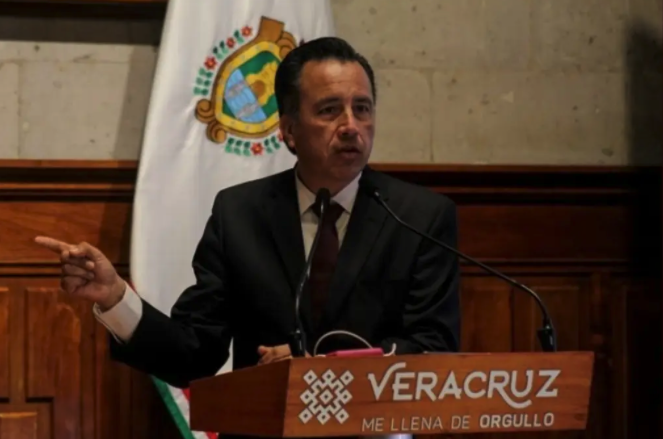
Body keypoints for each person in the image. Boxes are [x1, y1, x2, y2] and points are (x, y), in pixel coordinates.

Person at [35, 37, 461, 390]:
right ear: (289, 130)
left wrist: (315, 363)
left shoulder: (420, 217)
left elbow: (434, 346)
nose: (351, 125)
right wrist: (116, 298)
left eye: (362, 108)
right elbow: (194, 353)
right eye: (330, 110)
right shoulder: (240, 213)